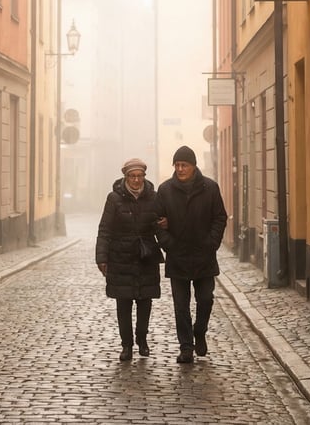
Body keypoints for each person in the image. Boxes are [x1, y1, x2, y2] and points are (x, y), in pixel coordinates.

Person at [156, 145, 228, 364]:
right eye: (177, 165)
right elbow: (157, 222)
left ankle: (200, 331)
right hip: (177, 256)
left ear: (193, 166)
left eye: (184, 165)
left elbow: (220, 218)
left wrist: (211, 243)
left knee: (205, 299)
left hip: (203, 255)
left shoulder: (210, 188)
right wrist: (168, 244)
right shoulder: (165, 190)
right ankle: (186, 347)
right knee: (181, 305)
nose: (180, 169)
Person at [95, 158, 164, 361]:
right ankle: (126, 345)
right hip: (120, 257)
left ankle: (142, 340)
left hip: (145, 257)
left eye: (139, 176)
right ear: (125, 177)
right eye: (132, 176)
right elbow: (105, 229)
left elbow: (160, 225)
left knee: (145, 302)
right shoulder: (114, 199)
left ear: (144, 177)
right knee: (123, 304)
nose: (136, 180)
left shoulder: (154, 198)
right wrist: (102, 257)